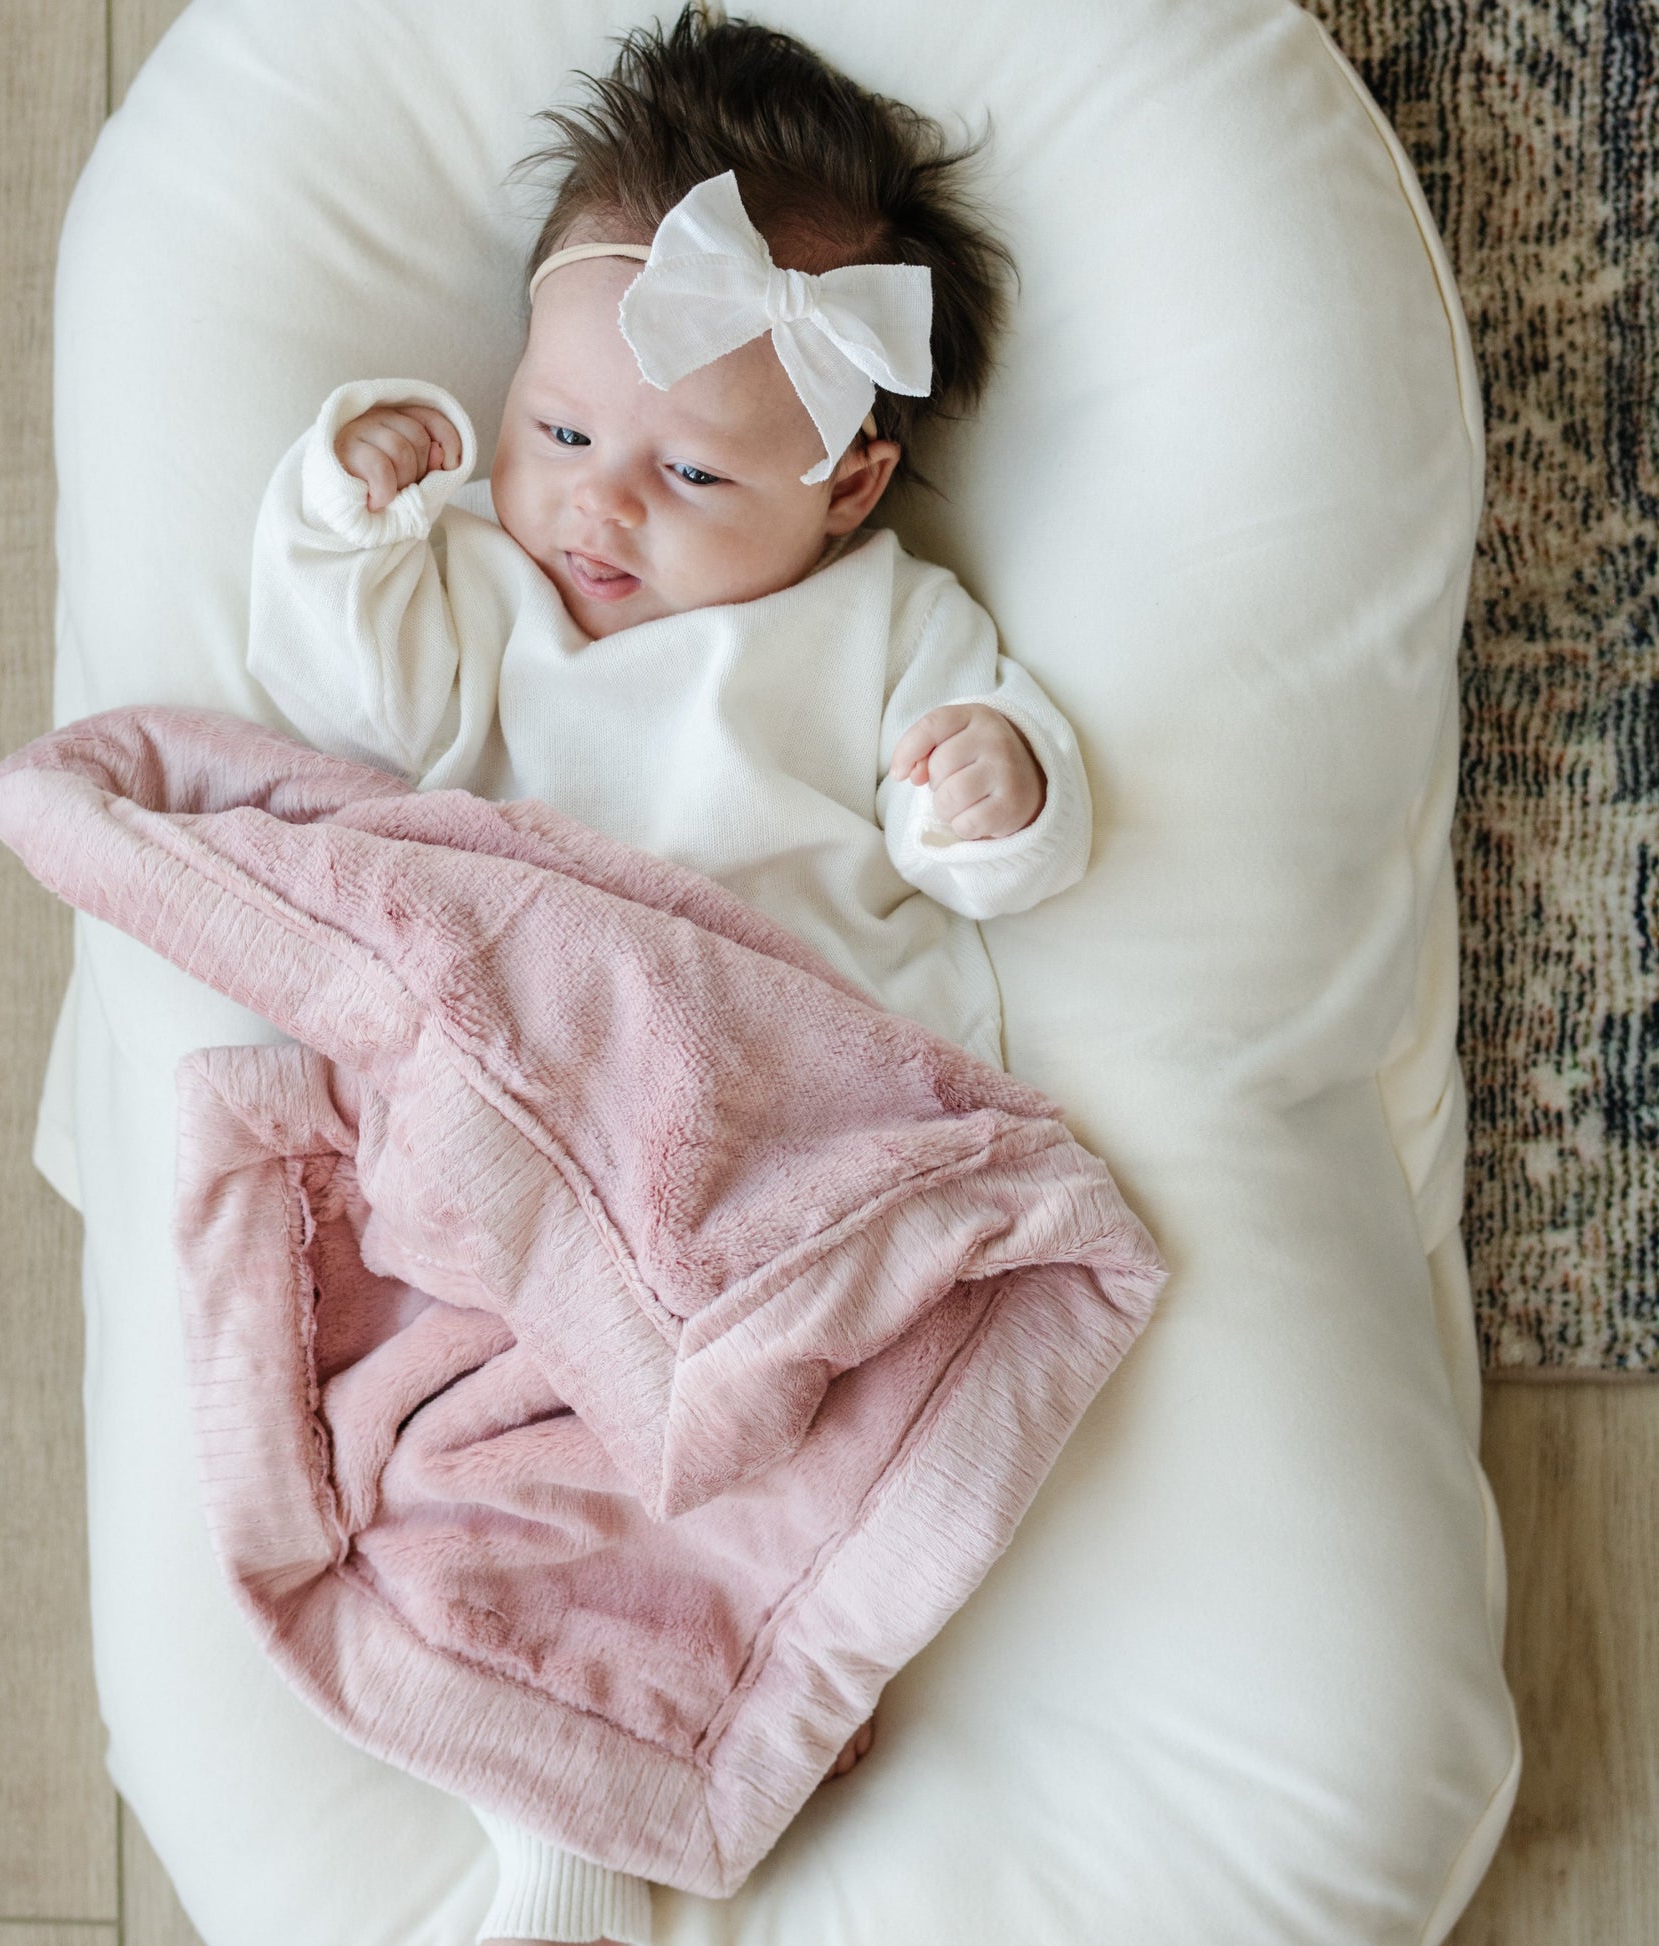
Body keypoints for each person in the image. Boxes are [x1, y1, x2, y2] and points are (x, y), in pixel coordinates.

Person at [243, 12, 1093, 1941]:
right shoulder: (489, 591)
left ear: (848, 487)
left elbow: (1001, 850)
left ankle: (652, 1770)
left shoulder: (886, 626)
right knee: (491, 1461)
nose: (599, 507)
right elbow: (331, 693)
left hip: (772, 1151)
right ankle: (559, 1814)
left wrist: (995, 784)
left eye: (693, 473)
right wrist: (349, 508)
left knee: (750, 1466)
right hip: (530, 1134)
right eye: (559, 433)